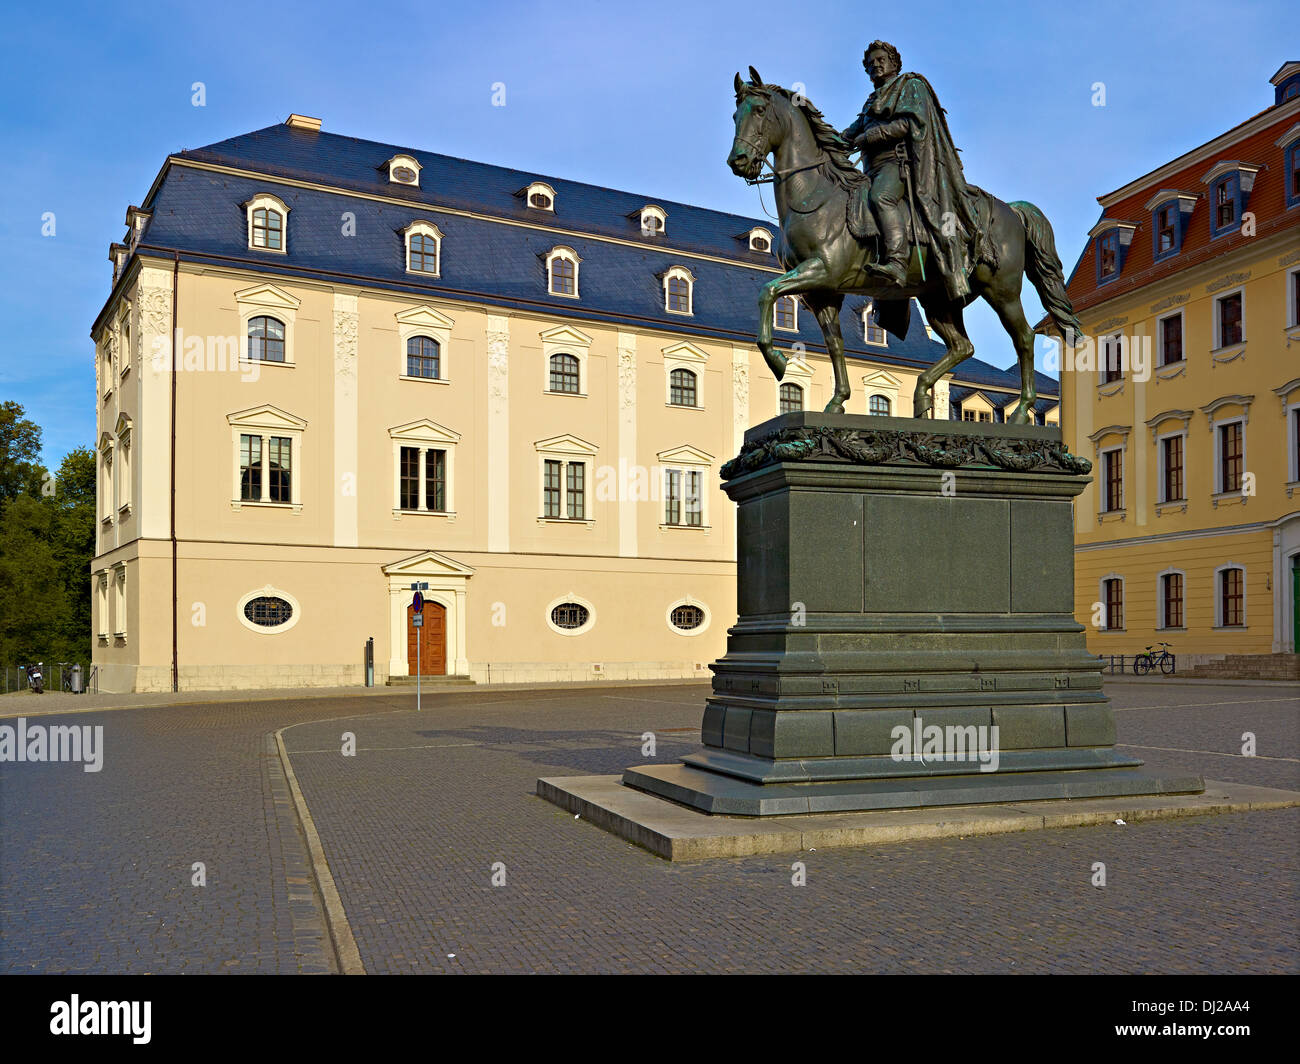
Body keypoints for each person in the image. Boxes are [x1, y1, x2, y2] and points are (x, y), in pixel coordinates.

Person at [840, 40, 983, 300]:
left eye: (881, 59)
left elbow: (912, 123)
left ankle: (897, 263)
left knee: (881, 197)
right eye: (870, 63)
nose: (875, 65)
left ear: (894, 62)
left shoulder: (910, 86)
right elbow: (851, 132)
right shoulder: (872, 101)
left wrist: (872, 136)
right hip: (871, 168)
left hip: (899, 165)